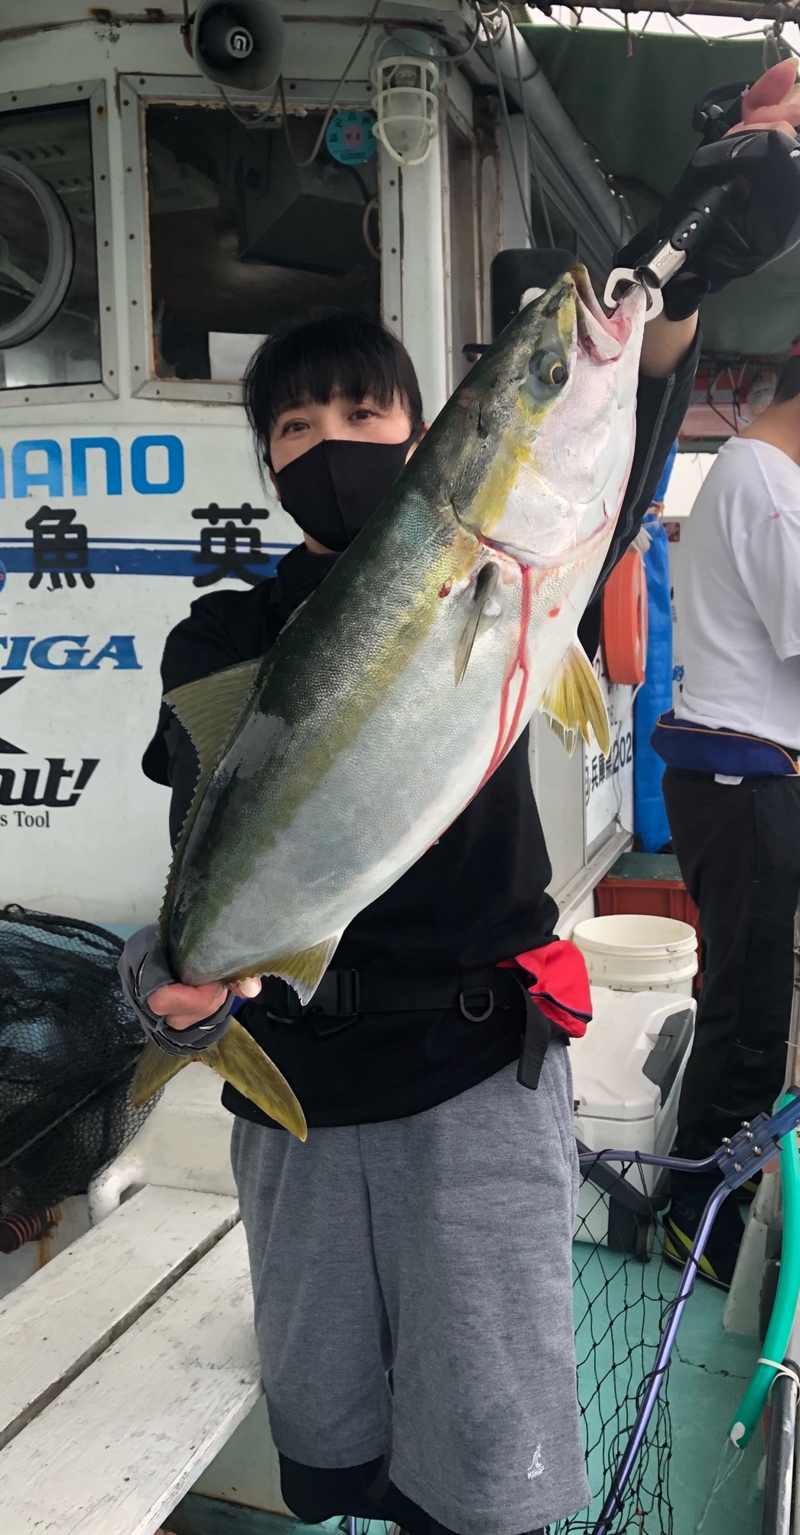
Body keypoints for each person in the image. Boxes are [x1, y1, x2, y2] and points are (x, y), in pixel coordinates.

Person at [121, 64, 800, 1532]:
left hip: (473, 1080)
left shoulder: (524, 567)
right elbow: (202, 851)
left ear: (433, 433)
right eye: (297, 428)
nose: (335, 440)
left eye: (369, 407)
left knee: (486, 1455)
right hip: (294, 1101)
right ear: (266, 467)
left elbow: (619, 389)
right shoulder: (221, 638)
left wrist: (691, 238)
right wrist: (168, 984)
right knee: (332, 1437)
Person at [656, 357, 800, 1289]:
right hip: (743, 783)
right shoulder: (764, 482)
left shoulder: (758, 475)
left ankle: (719, 1197)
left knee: (748, 1003)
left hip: (741, 782)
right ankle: (697, 1216)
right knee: (747, 1015)